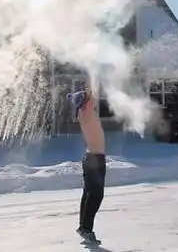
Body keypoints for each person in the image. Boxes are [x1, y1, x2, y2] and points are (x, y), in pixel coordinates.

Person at [68, 87, 106, 245]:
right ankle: (86, 228)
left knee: (89, 194)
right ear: (85, 102)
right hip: (95, 159)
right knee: (96, 195)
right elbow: (92, 97)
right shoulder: (88, 112)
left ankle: (84, 227)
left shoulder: (83, 113)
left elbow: (89, 98)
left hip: (90, 157)